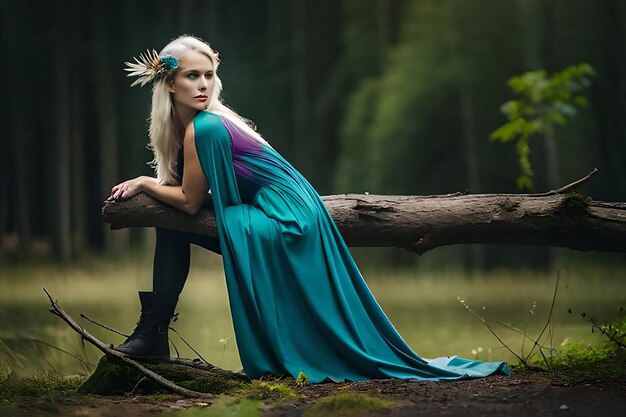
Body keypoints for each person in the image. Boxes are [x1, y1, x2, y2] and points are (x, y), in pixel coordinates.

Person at [107, 35, 511, 383]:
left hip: (288, 218)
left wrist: (145, 183)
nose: (203, 85)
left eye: (209, 74)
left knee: (173, 225)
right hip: (288, 207)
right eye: (192, 76)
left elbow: (191, 201)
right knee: (173, 225)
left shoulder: (206, 126)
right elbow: (199, 194)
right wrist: (162, 187)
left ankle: (152, 333)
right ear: (169, 83)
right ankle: (153, 333)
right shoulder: (197, 125)